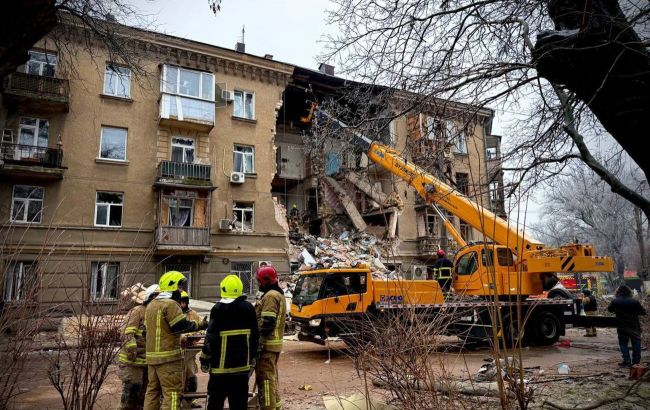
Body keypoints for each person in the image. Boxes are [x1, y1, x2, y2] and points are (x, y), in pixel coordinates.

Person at [143, 271, 208, 410]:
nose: (181, 290)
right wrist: (201, 325)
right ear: (172, 286)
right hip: (169, 359)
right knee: (172, 393)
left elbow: (146, 331)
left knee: (152, 392)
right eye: (179, 286)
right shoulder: (171, 304)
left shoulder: (151, 305)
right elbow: (181, 326)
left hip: (152, 358)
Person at [200, 275, 259, 410]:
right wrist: (253, 358)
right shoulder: (249, 308)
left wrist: (204, 359)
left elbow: (211, 338)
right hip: (242, 370)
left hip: (220, 371)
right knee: (239, 405)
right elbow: (255, 336)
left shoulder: (218, 309)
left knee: (215, 404)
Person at [118, 284, 159, 410]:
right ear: (150, 297)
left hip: (148, 361)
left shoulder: (158, 313)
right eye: (157, 297)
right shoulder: (137, 311)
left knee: (145, 395)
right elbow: (127, 333)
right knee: (132, 391)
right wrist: (132, 350)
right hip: (133, 362)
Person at [254, 265, 286, 410]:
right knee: (271, 379)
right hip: (273, 345)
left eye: (259, 281)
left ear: (264, 281)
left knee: (265, 380)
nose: (258, 283)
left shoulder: (270, 296)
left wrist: (259, 343)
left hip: (267, 346)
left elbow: (267, 322)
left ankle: (268, 407)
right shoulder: (276, 294)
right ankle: (276, 406)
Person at [607, 285, 646, 367]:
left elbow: (610, 310)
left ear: (618, 292)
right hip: (634, 325)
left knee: (623, 343)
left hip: (621, 325)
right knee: (636, 343)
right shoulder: (634, 301)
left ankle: (627, 361)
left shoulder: (615, 301)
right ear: (629, 292)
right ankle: (636, 362)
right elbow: (643, 312)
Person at [179, 291, 202, 409]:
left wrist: (195, 337)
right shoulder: (173, 313)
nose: (182, 305)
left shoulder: (193, 314)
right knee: (177, 377)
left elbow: (201, 328)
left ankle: (191, 400)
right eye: (180, 302)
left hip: (189, 351)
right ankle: (177, 401)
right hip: (176, 351)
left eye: (184, 302)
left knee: (191, 376)